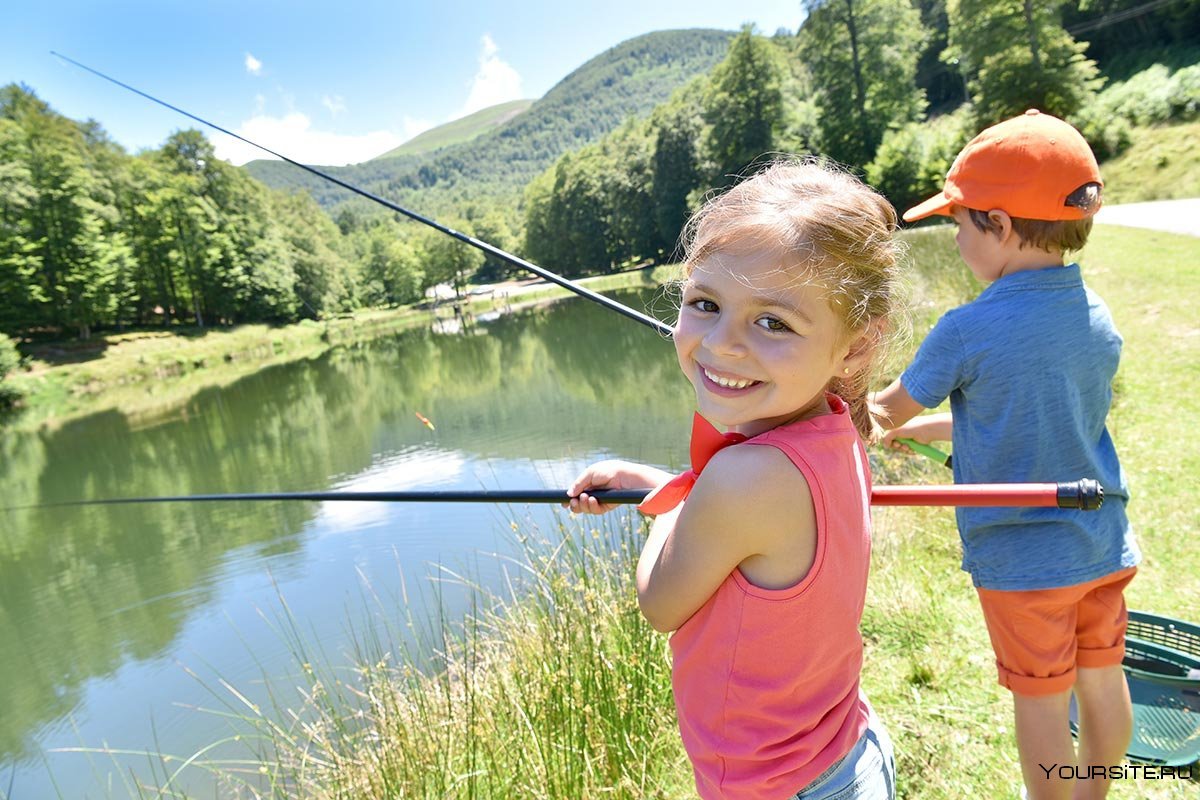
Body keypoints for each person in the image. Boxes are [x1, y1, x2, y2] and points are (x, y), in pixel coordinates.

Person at [568, 159, 903, 800]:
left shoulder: (745, 478)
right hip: (847, 752)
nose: (723, 344)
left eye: (773, 321)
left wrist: (667, 507)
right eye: (705, 304)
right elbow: (748, 520)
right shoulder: (839, 429)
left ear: (856, 346)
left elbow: (660, 604)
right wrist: (660, 483)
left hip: (776, 787)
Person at [870, 110, 1140, 800]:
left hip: (1025, 566)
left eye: (960, 224)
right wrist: (915, 433)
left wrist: (825, 396)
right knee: (1102, 684)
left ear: (999, 224)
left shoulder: (966, 329)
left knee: (1042, 704)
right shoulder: (1097, 318)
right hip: (1102, 544)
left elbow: (878, 412)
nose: (956, 239)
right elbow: (1026, 423)